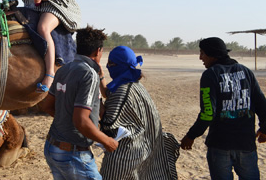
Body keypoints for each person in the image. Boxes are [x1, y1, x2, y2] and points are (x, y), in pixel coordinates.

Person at [180, 37, 266, 180]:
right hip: (246, 144)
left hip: (220, 145)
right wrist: (264, 128)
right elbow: (262, 104)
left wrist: (191, 136)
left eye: (202, 53)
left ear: (212, 55)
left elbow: (208, 113)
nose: (200, 57)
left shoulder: (211, 74)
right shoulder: (245, 71)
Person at [41, 25, 118, 180]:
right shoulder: (89, 75)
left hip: (52, 148)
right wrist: (107, 141)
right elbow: (81, 120)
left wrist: (68, 121)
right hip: (73, 154)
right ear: (98, 51)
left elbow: (46, 105)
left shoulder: (63, 69)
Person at [99, 46, 179, 179]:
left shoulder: (122, 91)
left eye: (110, 64)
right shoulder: (134, 85)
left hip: (125, 158)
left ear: (117, 66)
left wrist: (96, 101)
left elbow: (108, 122)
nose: (108, 66)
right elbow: (109, 93)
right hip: (145, 151)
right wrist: (101, 76)